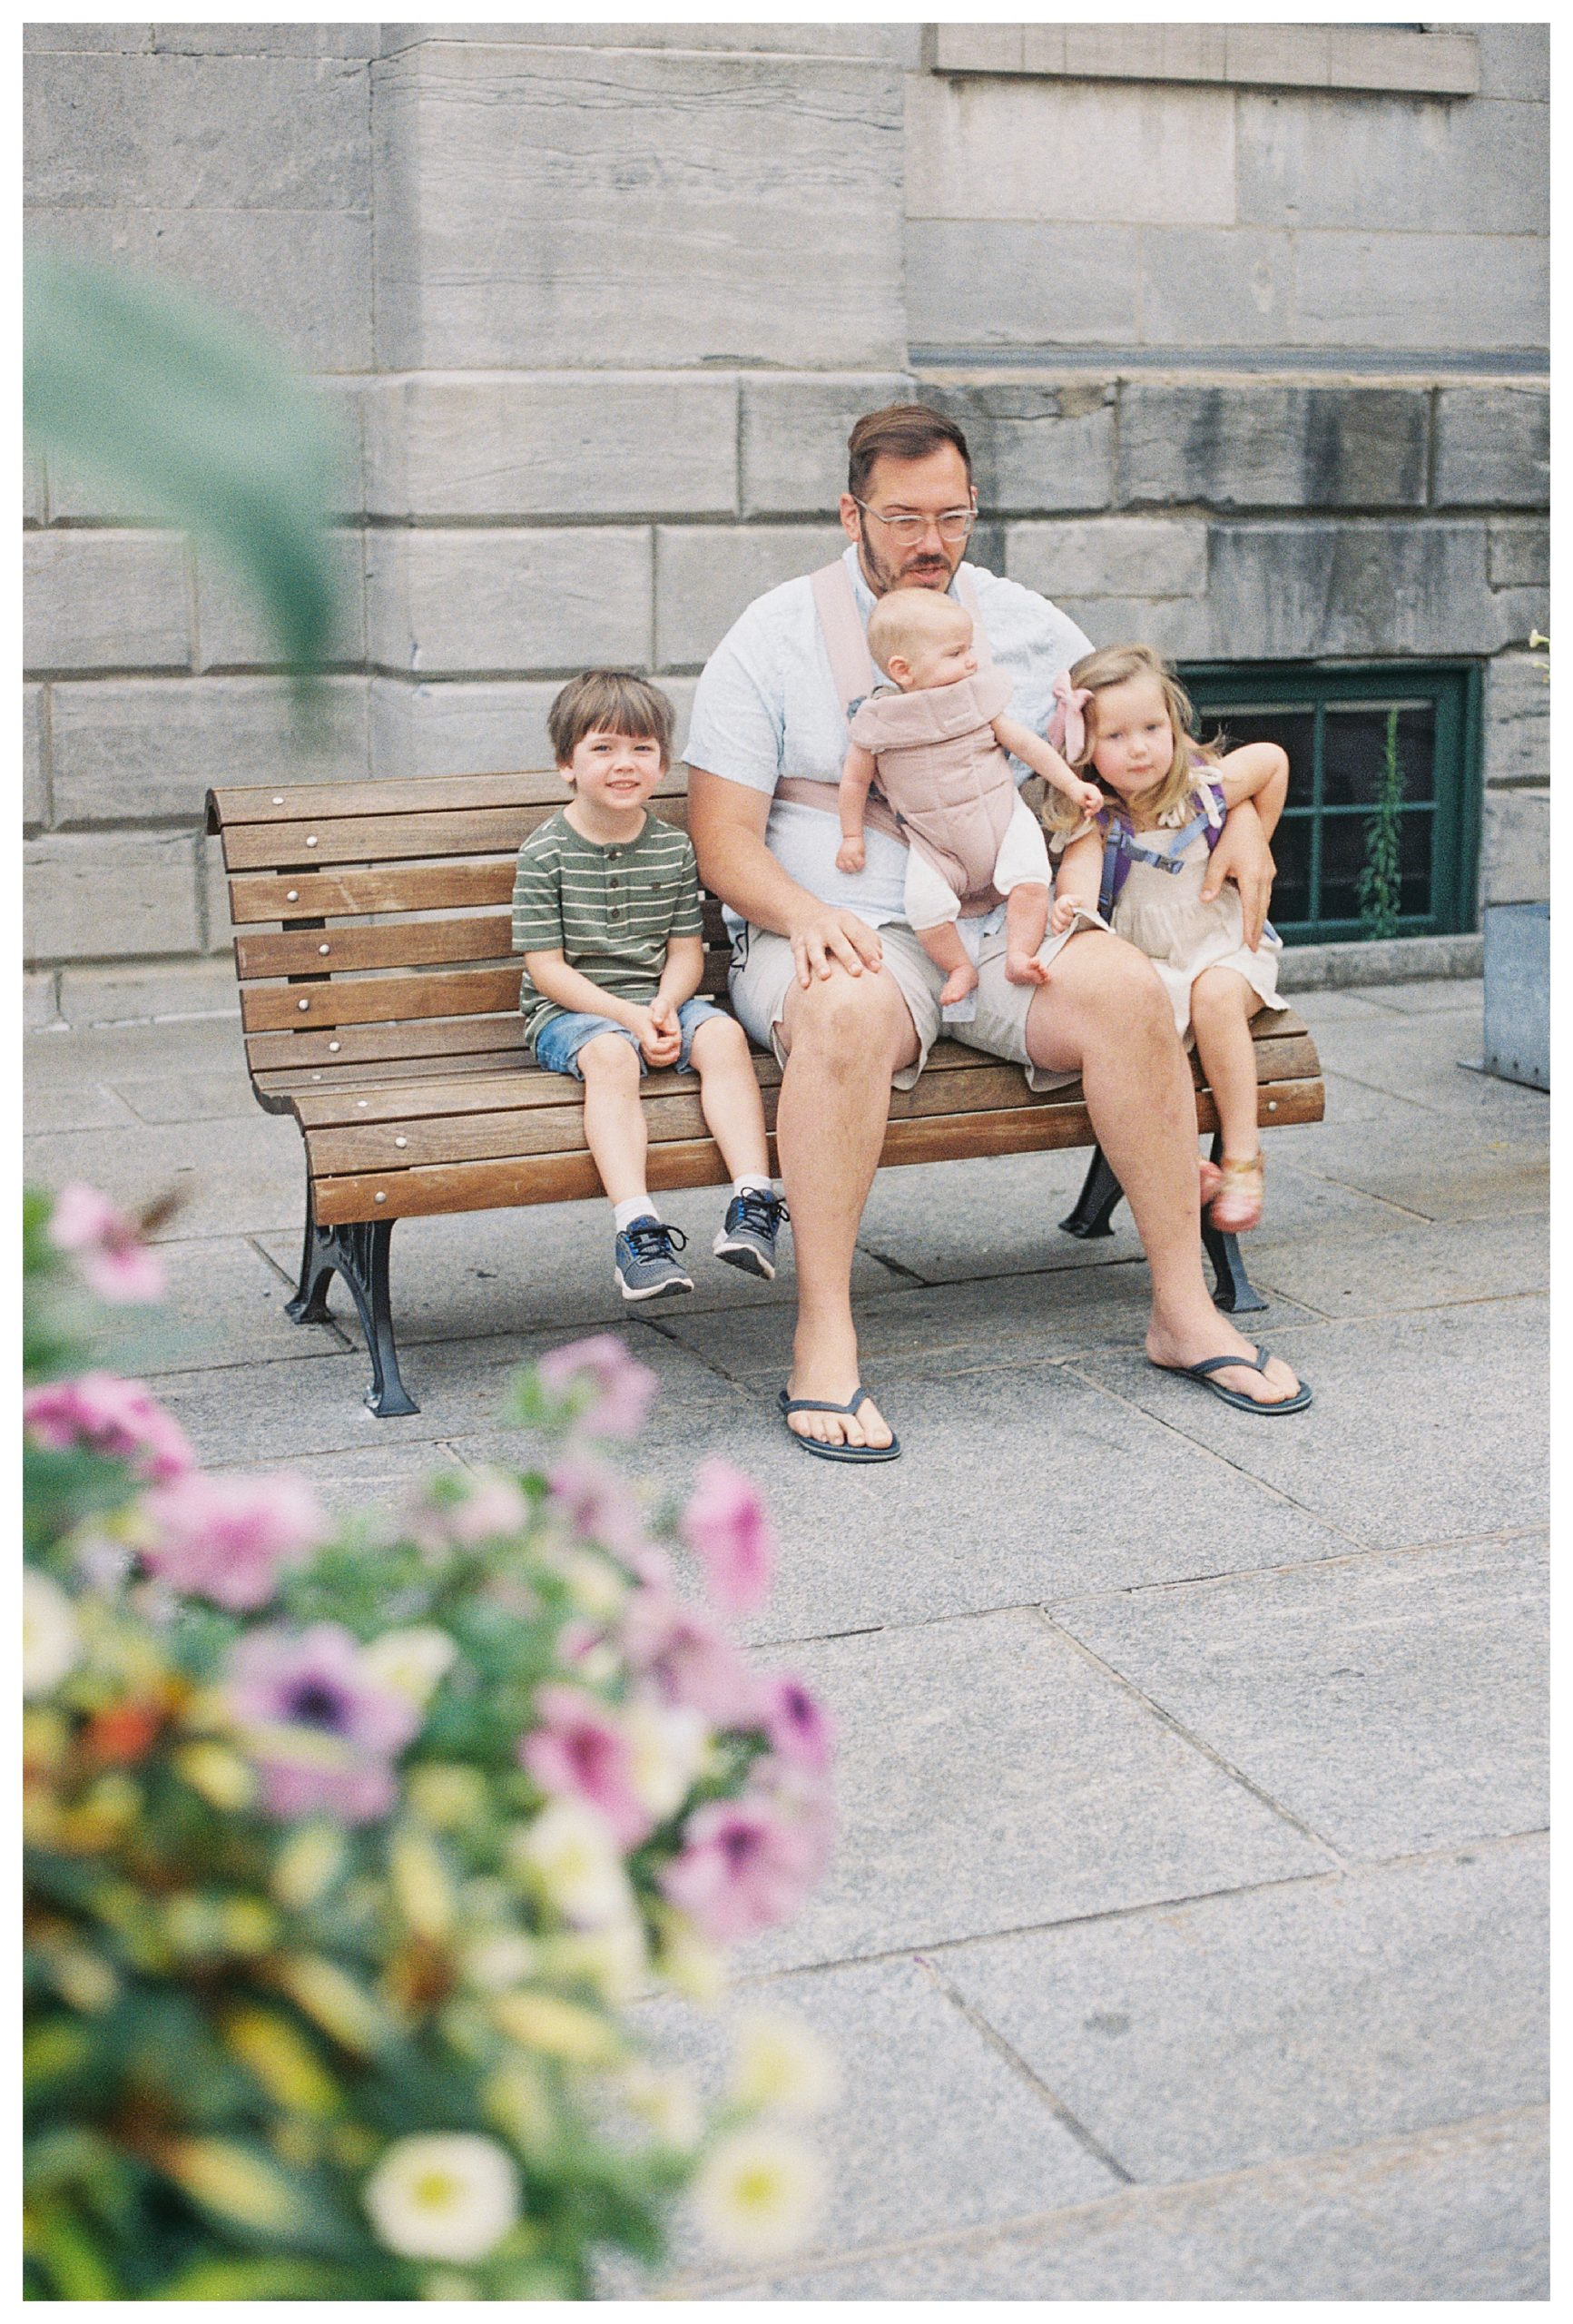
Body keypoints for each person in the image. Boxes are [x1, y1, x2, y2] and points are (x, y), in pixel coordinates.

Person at [683, 404, 1309, 1456]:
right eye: (901, 517)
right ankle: (824, 1335)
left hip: (999, 917)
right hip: (842, 930)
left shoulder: (1020, 623)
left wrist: (1244, 816)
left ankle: (1178, 1308)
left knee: (1120, 991)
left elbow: (1141, 745)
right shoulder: (772, 634)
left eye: (952, 516)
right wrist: (805, 916)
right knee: (838, 1015)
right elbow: (721, 838)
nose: (929, 542)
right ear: (850, 513)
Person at [512, 671, 787, 1303]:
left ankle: (752, 1200)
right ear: (566, 764)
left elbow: (685, 953)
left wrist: (663, 1005)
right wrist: (630, 1020)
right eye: (602, 748)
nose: (623, 764)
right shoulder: (545, 853)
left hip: (657, 1001)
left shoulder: (670, 848)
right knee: (611, 1057)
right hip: (569, 1012)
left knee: (719, 1034)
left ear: (662, 763)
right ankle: (637, 1228)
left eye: (641, 749)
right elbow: (546, 969)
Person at [1048, 645, 1291, 1236]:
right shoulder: (1096, 820)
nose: (1138, 748)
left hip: (1228, 949)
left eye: (1152, 728)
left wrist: (1254, 829)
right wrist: (1068, 902)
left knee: (1211, 1000)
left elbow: (1273, 761)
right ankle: (1179, 1161)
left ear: (1175, 728)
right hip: (1153, 964)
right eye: (1115, 735)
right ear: (1081, 748)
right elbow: (1077, 874)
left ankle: (1240, 1157)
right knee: (1141, 1020)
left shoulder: (1202, 792)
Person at [835, 587, 1103, 1011]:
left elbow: (1027, 746)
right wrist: (852, 836)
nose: (971, 661)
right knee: (924, 909)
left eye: (970, 648)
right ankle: (960, 966)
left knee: (1032, 880)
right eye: (956, 653)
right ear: (902, 670)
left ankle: (1019, 952)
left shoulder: (976, 696)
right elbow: (853, 783)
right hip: (936, 846)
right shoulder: (877, 722)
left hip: (1001, 822)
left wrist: (1073, 785)